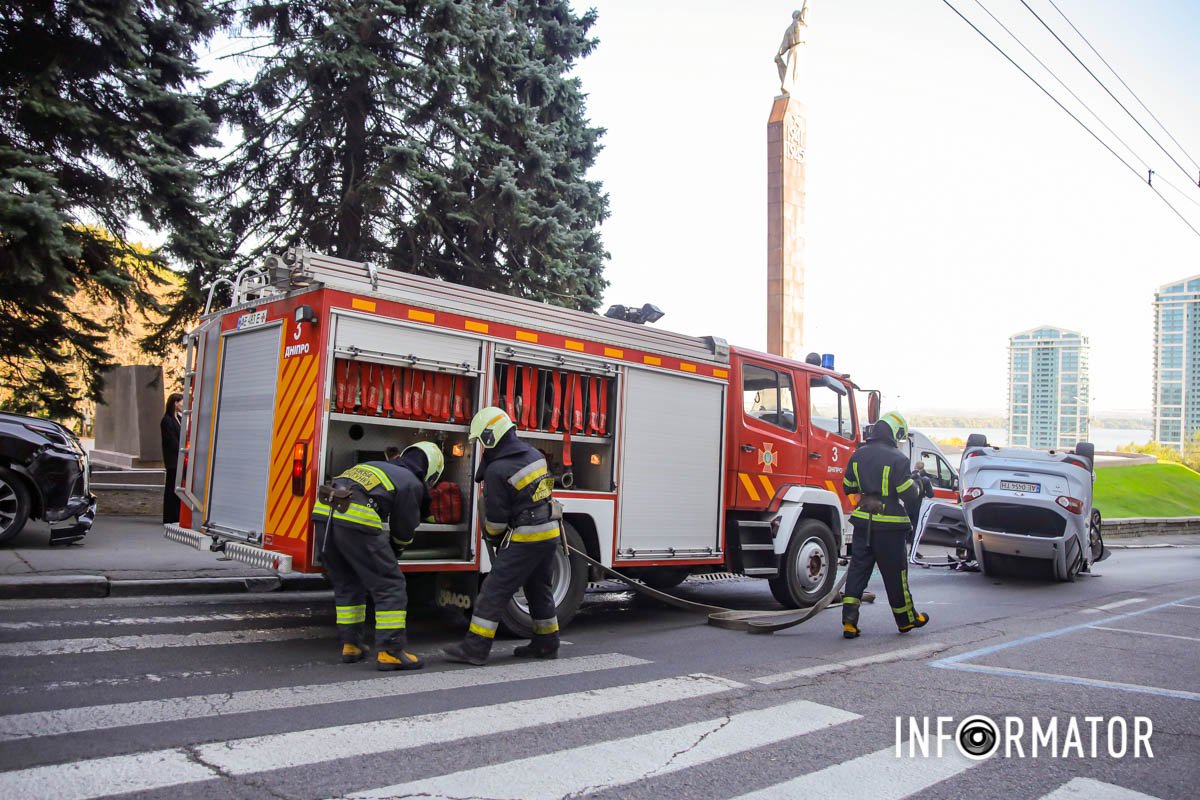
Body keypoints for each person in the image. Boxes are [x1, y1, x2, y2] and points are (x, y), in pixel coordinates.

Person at [311, 442, 444, 671]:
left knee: (348, 581)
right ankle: (390, 651)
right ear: (431, 473)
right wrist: (396, 550)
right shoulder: (411, 482)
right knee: (390, 584)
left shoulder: (376, 466)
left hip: (323, 516)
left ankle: (351, 645)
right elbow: (404, 528)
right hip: (355, 521)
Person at [444, 407, 561, 666]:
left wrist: (496, 539)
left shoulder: (497, 470)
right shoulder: (535, 455)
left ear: (490, 436)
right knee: (539, 588)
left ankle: (475, 648)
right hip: (549, 532)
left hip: (527, 537)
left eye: (481, 440)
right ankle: (547, 643)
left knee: (493, 591)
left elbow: (496, 522)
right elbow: (544, 492)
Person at [840, 411, 929, 639]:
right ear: (895, 433)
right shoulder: (898, 459)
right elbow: (908, 495)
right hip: (890, 528)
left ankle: (849, 622)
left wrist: (865, 498)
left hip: (863, 524)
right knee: (895, 575)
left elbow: (848, 485)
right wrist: (918, 484)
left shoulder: (858, 454)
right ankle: (906, 620)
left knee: (857, 572)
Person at [774, 2, 810, 94]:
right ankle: (793, 89)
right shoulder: (801, 23)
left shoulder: (789, 29)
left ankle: (790, 87)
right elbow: (805, 9)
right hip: (799, 48)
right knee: (797, 71)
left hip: (792, 51)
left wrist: (778, 54)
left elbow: (784, 45)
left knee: (792, 71)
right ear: (798, 16)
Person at [160, 392, 183, 524]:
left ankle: (176, 514)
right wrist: (180, 450)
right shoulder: (167, 420)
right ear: (175, 403)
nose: (183, 405)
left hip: (179, 459)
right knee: (171, 487)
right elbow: (171, 441)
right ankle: (169, 516)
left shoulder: (178, 419)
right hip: (172, 459)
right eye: (181, 403)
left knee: (177, 487)